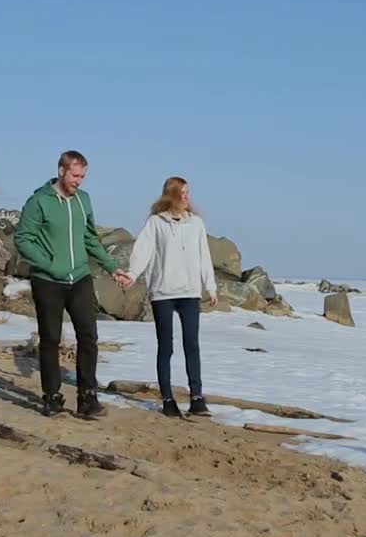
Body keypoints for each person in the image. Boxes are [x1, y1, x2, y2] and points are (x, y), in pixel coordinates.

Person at [14, 150, 130, 418]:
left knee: (88, 336)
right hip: (48, 281)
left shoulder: (83, 201)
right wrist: (49, 264)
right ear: (61, 171)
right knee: (51, 339)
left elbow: (90, 239)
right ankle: (52, 397)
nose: (79, 181)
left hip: (79, 278)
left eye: (83, 176)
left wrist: (112, 268)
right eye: (75, 175)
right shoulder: (39, 202)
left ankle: (87, 398)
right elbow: (23, 239)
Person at [123, 177, 219, 418]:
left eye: (188, 192)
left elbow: (204, 255)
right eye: (183, 193)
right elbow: (143, 250)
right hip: (163, 293)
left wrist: (211, 286)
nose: (187, 197)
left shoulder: (196, 223)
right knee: (166, 347)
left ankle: (197, 398)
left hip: (189, 292)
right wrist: (132, 274)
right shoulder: (156, 223)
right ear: (172, 195)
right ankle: (167, 399)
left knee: (192, 345)